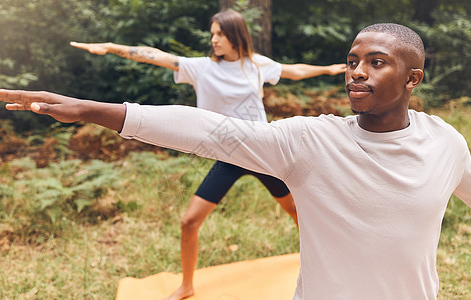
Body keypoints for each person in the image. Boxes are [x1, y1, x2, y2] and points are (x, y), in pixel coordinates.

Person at [0, 23, 471, 300]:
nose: (356, 74)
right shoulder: (310, 140)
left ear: (414, 79)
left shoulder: (446, 143)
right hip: (256, 155)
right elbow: (205, 131)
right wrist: (93, 110)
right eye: (351, 62)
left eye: (376, 63)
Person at [69, 9, 344, 300]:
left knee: (299, 213)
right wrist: (112, 48)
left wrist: (327, 69)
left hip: (263, 152)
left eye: (219, 34)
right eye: (212, 34)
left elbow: (294, 70)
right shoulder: (201, 68)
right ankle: (187, 285)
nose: (213, 40)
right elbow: (155, 55)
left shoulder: (256, 65)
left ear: (235, 36)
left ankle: (323, 268)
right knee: (189, 221)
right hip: (228, 155)